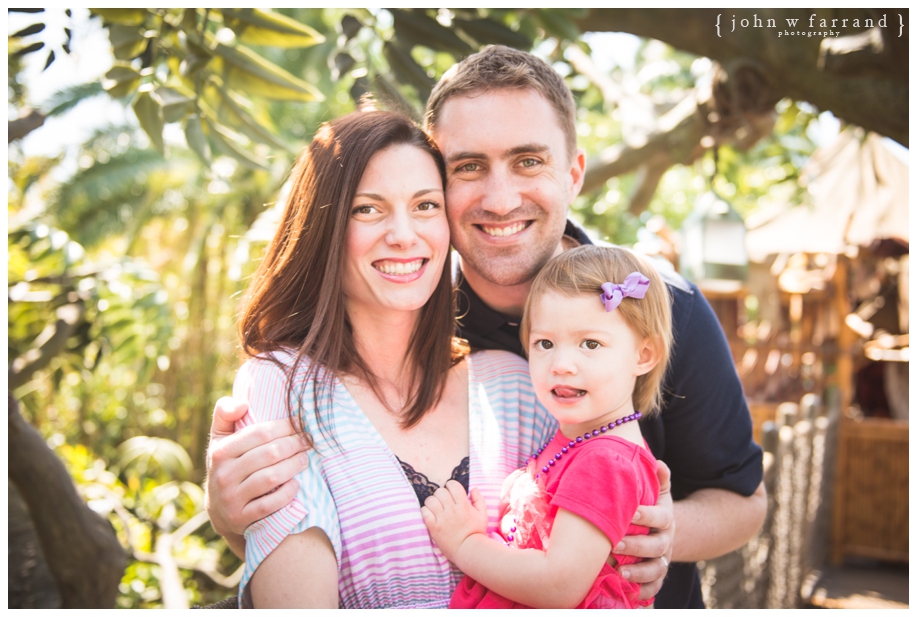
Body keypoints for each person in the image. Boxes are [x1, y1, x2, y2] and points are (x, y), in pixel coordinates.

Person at [205, 46, 766, 608]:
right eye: (469, 167)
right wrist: (237, 519)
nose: (500, 199)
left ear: (573, 175)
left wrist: (654, 533)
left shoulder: (657, 305)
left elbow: (743, 502)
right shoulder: (412, 309)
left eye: (528, 161)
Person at [230, 109, 558, 608]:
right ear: (324, 229)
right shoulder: (280, 388)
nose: (404, 234)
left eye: (425, 205)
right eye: (367, 209)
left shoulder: (519, 386)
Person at [423, 245, 671, 609]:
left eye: (590, 343)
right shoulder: (581, 442)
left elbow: (557, 586)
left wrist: (465, 544)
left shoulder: (605, 460)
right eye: (545, 343)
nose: (562, 364)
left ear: (643, 355)